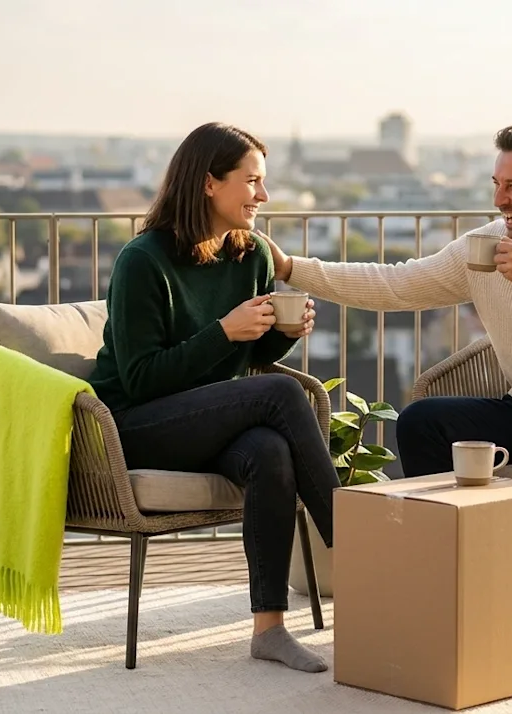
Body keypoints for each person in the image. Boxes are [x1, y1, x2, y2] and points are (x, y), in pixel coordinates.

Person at [262, 120, 512, 613]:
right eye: (497, 185)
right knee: (422, 422)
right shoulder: (486, 247)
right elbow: (397, 284)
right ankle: (446, 581)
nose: (501, 200)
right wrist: (291, 269)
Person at [86, 122, 337, 673]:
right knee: (275, 395)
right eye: (251, 182)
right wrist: (223, 331)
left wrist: (279, 336)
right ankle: (360, 547)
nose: (262, 196)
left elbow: (248, 362)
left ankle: (268, 629)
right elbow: (141, 378)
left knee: (270, 451)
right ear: (207, 183)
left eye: (263, 183)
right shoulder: (143, 262)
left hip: (207, 420)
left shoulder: (253, 259)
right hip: (135, 425)